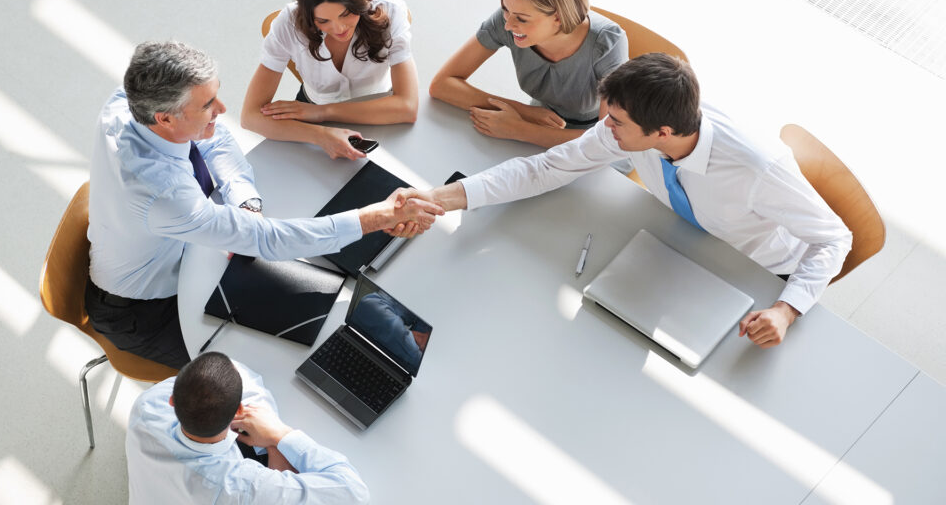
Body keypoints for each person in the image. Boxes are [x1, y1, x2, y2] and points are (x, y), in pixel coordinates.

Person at [402, 53, 851, 349]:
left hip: (758, 273)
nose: (605, 128)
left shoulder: (758, 167)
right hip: (679, 244)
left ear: (664, 133)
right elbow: (547, 168)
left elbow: (834, 239)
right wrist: (438, 198)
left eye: (616, 121)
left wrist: (786, 310)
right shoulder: (634, 128)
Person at [87, 40, 442, 369]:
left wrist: (245, 201)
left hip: (173, 249)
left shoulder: (130, 101)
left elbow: (215, 138)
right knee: (259, 371)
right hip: (145, 309)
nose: (222, 109)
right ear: (165, 118)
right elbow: (267, 240)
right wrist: (374, 217)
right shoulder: (162, 192)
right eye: (208, 105)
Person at [429, 0, 628, 148]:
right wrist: (524, 111)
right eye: (505, 9)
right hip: (537, 124)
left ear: (558, 17)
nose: (508, 25)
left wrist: (519, 129)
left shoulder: (608, 43)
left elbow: (609, 138)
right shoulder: (507, 19)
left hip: (595, 143)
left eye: (522, 19)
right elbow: (442, 85)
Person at [127, 351, 370, 504]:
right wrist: (278, 435)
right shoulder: (241, 489)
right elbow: (354, 493)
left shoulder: (147, 406)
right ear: (240, 411)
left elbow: (226, 372)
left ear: (172, 400)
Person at [241, 0, 418, 160]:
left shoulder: (391, 10)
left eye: (346, 14)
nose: (339, 28)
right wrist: (320, 135)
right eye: (323, 21)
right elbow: (250, 116)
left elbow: (407, 107)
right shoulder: (288, 23)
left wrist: (323, 112)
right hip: (311, 112)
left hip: (379, 109)